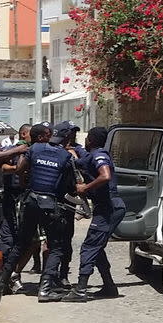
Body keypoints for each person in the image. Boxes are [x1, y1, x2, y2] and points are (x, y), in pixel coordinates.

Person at [1, 123, 75, 303]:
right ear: (66, 140)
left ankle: (1, 283)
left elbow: (19, 170)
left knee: (21, 243)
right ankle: (45, 289)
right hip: (50, 205)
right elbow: (69, 185)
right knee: (56, 246)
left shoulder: (35, 149)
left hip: (31, 201)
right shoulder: (66, 156)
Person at [62, 127, 126, 302]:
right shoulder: (92, 154)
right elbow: (81, 159)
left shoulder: (100, 155)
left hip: (109, 207)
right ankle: (109, 286)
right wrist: (70, 149)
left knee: (89, 246)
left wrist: (86, 187)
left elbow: (105, 175)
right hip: (106, 206)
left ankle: (81, 290)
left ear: (90, 139)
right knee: (97, 247)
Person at [50, 121, 81, 288]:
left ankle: (63, 274)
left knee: (67, 241)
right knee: (52, 241)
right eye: (71, 134)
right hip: (54, 201)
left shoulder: (74, 152)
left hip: (69, 202)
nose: (73, 137)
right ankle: (50, 275)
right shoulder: (55, 151)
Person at [0, 124, 32, 263]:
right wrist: (17, 168)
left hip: (25, 197)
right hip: (11, 196)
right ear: (23, 134)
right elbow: (3, 167)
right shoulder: (12, 150)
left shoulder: (32, 151)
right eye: (31, 133)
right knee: (9, 234)